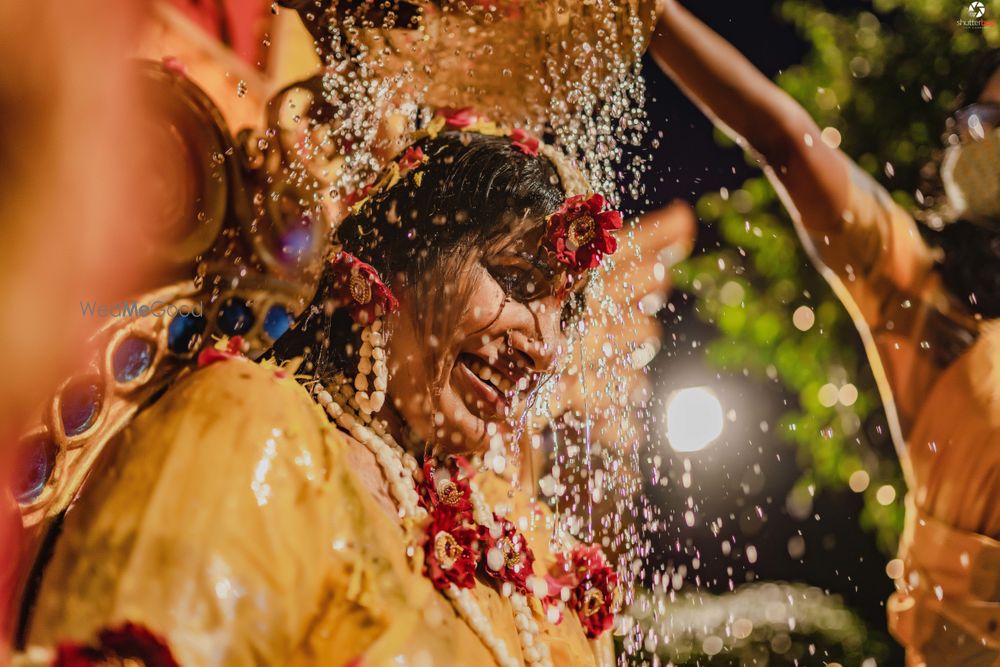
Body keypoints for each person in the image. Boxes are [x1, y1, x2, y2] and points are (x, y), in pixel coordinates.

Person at [17, 108, 631, 667]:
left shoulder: (523, 531)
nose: (544, 345)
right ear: (400, 259)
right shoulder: (256, 431)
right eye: (517, 279)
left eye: (564, 311)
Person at [651, 2, 1000, 663]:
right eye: (983, 121)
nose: (992, 141)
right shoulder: (928, 300)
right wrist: (648, 12)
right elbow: (785, 140)